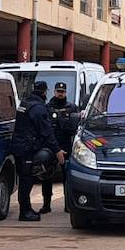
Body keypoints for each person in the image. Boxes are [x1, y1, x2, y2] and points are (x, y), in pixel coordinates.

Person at [12, 81, 62, 221]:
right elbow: (46, 132)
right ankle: (25, 212)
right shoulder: (38, 108)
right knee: (27, 181)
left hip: (18, 146)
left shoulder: (24, 103)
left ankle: (26, 209)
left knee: (23, 179)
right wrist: (57, 151)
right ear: (45, 92)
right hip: (27, 149)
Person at [41, 82, 78, 213]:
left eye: (62, 91)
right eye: (58, 91)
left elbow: (76, 128)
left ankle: (68, 204)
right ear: (54, 92)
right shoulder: (47, 107)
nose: (60, 94)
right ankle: (46, 204)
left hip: (66, 145)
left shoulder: (72, 107)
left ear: (65, 92)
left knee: (67, 177)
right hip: (51, 146)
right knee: (47, 176)